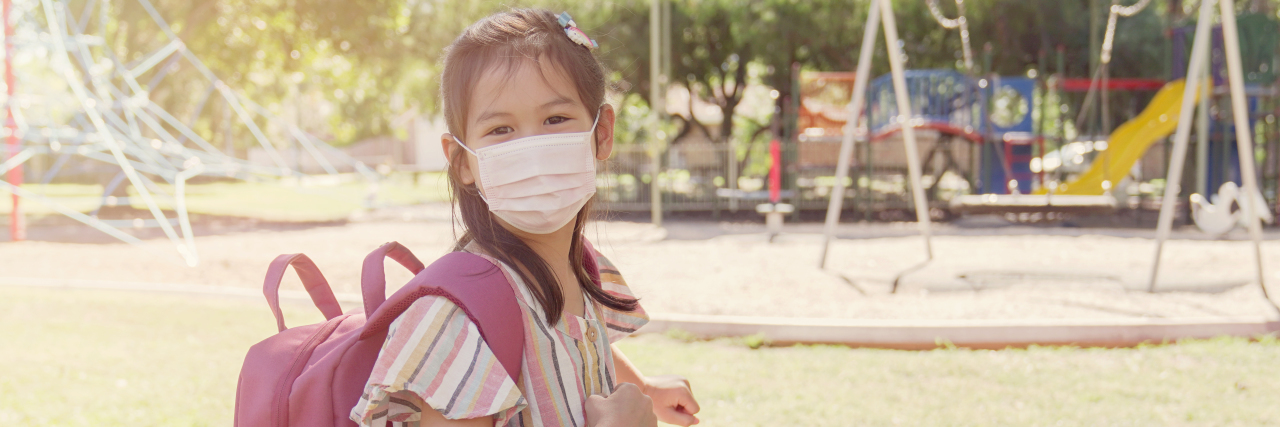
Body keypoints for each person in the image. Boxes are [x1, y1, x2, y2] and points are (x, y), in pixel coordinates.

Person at [349, 8, 700, 427]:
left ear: (601, 132)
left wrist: (643, 389)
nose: (532, 150)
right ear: (461, 160)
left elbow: (570, 342)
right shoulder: (458, 320)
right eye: (501, 130)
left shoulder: (581, 266)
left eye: (555, 119)